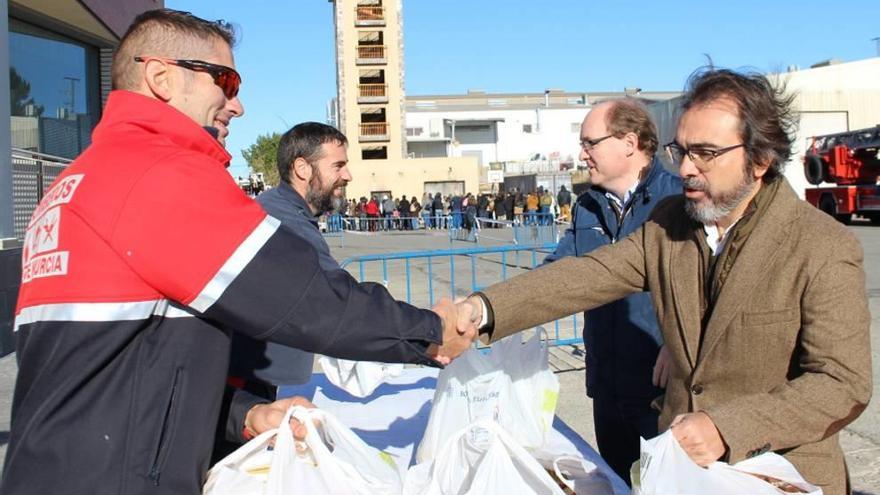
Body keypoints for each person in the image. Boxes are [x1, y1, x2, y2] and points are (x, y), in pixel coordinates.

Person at [4, 10, 475, 495]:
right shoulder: (157, 173)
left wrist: (246, 415)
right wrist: (430, 331)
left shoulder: (78, 181)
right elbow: (305, 297)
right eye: (225, 81)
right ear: (160, 76)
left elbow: (117, 371)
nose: (238, 104)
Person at [460, 67, 872, 495]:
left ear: (760, 159)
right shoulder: (669, 225)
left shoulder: (821, 245)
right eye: (683, 150)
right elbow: (589, 273)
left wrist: (726, 427)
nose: (688, 168)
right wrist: (481, 309)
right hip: (678, 473)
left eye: (706, 153)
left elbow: (842, 383)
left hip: (781, 475)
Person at [542, 98, 682, 483]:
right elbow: (556, 272)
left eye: (591, 143)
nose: (582, 154)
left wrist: (679, 343)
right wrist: (489, 309)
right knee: (616, 484)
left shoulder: (678, 201)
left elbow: (710, 286)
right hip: (606, 387)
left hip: (659, 390)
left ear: (629, 142)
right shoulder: (587, 206)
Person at [215, 122, 351, 460]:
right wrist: (427, 332)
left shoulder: (283, 209)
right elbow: (337, 297)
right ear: (302, 168)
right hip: (242, 379)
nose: (347, 175)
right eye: (338, 165)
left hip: (251, 374)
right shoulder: (282, 220)